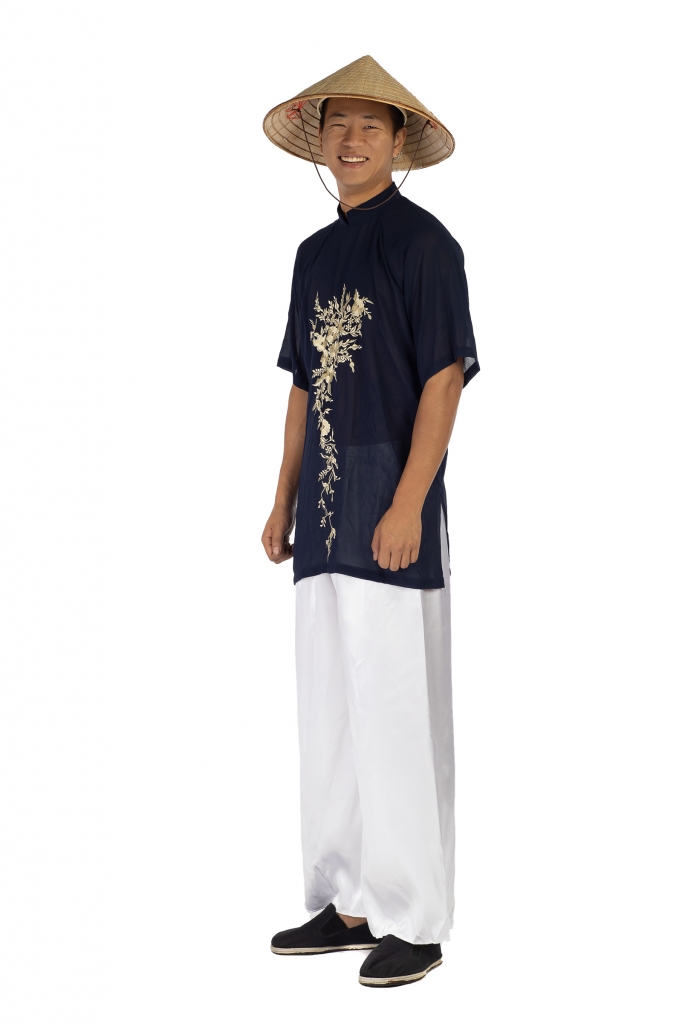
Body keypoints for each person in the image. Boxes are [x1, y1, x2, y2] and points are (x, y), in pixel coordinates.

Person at [260, 55, 479, 988]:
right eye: (338, 124)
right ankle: (349, 901)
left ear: (397, 142)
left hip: (390, 508)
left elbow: (444, 377)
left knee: (395, 711)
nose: (351, 140)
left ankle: (414, 919)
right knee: (332, 716)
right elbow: (304, 386)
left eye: (370, 126)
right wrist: (281, 497)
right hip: (323, 516)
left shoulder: (426, 245)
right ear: (320, 139)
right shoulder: (313, 254)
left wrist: (407, 502)